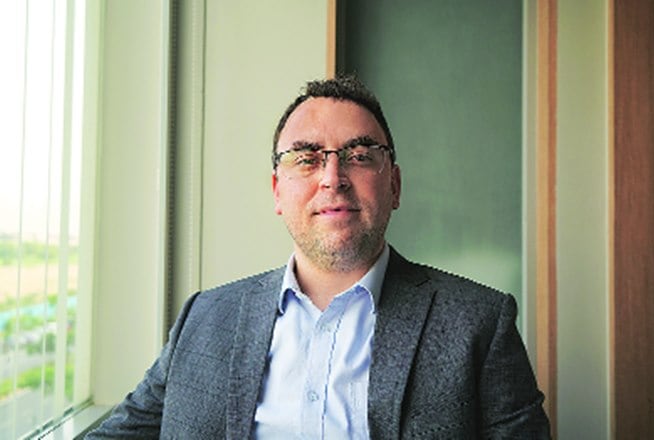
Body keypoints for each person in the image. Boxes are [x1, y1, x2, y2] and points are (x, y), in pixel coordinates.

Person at [86, 76, 550, 439]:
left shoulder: (479, 323)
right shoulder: (203, 318)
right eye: (307, 158)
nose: (333, 177)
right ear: (277, 191)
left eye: (359, 155)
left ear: (394, 186)